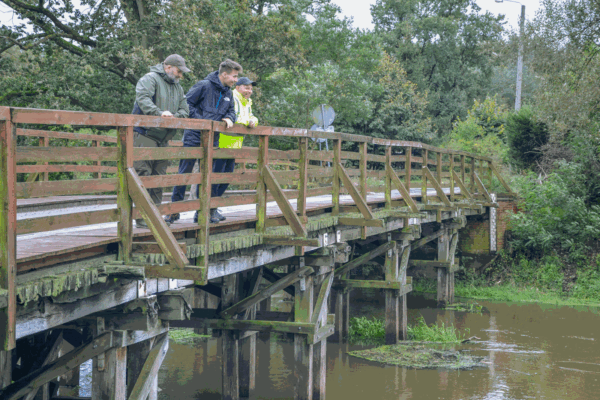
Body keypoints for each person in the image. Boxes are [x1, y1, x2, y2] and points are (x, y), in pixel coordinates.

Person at [166, 59, 242, 224]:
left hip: (213, 139)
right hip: (194, 136)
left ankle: (202, 213)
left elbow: (232, 112)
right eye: (234, 76)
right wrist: (202, 123)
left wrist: (229, 118)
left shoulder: (228, 92)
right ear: (224, 74)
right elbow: (186, 104)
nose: (236, 80)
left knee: (209, 176)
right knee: (184, 174)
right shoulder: (204, 85)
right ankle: (174, 211)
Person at [131, 54, 190, 229]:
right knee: (143, 175)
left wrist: (173, 117)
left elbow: (185, 109)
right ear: (168, 67)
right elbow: (143, 99)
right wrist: (160, 113)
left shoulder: (177, 87)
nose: (180, 75)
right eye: (179, 71)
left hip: (164, 137)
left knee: (159, 178)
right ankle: (142, 217)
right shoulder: (150, 79)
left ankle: (155, 215)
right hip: (145, 133)